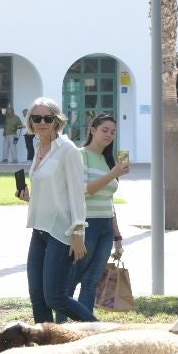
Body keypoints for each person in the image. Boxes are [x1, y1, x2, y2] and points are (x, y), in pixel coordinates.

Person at [18, 96, 96, 324]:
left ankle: (101, 332)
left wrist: (78, 233)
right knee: (37, 298)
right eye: (36, 118)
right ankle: (46, 348)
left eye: (47, 118)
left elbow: (76, 193)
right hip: (39, 228)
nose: (41, 122)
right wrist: (29, 197)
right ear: (30, 121)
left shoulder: (68, 150)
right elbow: (51, 189)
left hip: (61, 231)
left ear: (56, 121)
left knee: (55, 297)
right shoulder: (36, 145)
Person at [72, 113, 128, 313]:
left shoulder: (108, 160)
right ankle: (60, 323)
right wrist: (113, 174)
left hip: (105, 227)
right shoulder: (80, 155)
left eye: (113, 132)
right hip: (86, 225)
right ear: (92, 130)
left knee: (92, 280)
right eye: (104, 130)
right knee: (72, 279)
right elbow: (84, 190)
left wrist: (117, 236)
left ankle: (85, 325)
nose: (109, 135)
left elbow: (109, 202)